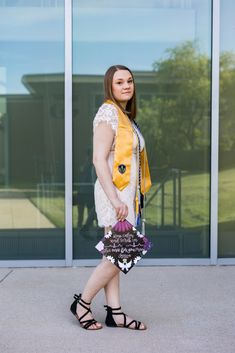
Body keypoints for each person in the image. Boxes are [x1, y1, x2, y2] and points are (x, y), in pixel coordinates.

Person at [70, 65, 152, 331]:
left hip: (126, 195)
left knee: (116, 255)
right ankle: (82, 303)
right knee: (117, 255)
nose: (126, 86)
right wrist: (116, 200)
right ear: (110, 86)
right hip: (114, 194)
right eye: (119, 82)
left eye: (129, 81)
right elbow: (98, 159)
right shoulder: (108, 113)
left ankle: (115, 312)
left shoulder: (124, 116)